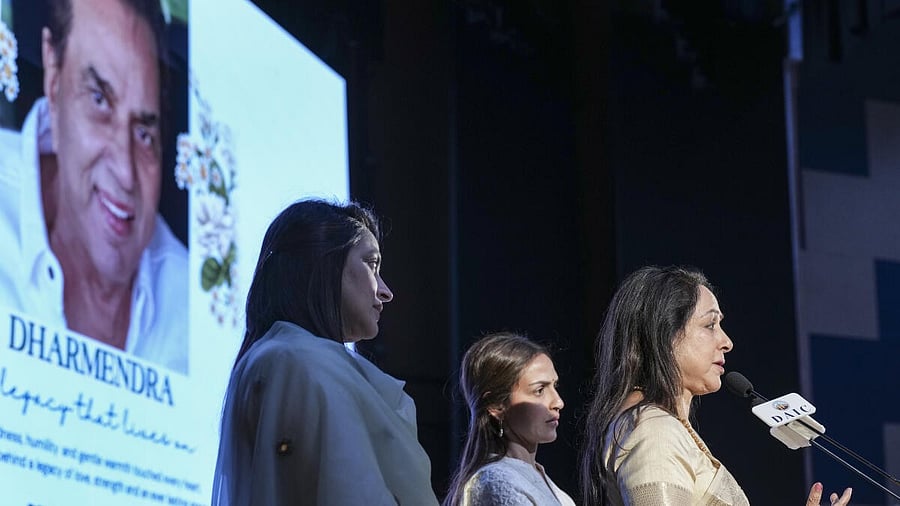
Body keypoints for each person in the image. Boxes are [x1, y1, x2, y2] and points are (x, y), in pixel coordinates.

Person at [0, 0, 187, 373]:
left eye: (144, 133)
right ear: (53, 78)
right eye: (100, 100)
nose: (126, 174)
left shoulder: (189, 300)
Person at [211, 199, 439, 506]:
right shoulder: (294, 362)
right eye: (371, 264)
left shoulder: (295, 360)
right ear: (323, 264)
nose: (386, 291)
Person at [579, 266, 852, 506]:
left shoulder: (654, 426)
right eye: (710, 325)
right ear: (664, 335)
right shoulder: (654, 430)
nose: (727, 342)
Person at [444, 332, 576, 506]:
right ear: (496, 405)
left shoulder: (538, 477)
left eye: (554, 386)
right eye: (539, 390)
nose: (558, 402)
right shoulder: (496, 481)